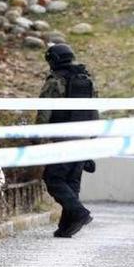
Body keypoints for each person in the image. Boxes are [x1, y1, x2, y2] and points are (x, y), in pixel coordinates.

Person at [36, 43, 97, 238]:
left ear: (53, 60)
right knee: (71, 182)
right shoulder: (86, 79)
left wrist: (37, 137)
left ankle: (80, 214)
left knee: (53, 179)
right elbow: (94, 109)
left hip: (63, 137)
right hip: (84, 137)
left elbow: (44, 112)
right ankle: (67, 227)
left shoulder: (55, 81)